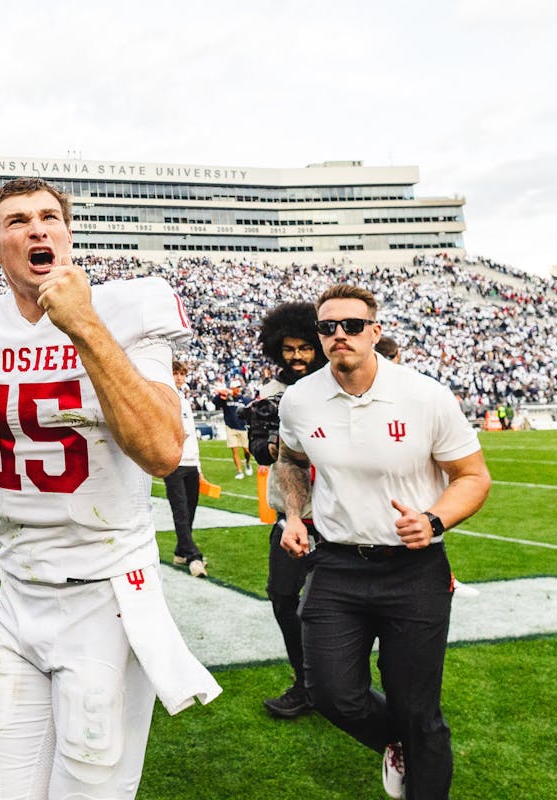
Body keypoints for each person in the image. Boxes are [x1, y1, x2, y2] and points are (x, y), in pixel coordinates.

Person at [0, 177, 220, 799]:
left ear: (68, 233)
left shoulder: (128, 306)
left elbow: (160, 450)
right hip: (19, 592)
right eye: (17, 221)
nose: (37, 228)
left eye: (50, 217)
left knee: (88, 790)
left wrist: (86, 328)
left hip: (105, 592)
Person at [277, 284, 491, 800]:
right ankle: (397, 741)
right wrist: (293, 515)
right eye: (328, 328)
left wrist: (434, 521)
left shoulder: (424, 395)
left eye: (352, 326)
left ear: (375, 331)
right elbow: (288, 461)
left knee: (419, 711)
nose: (339, 336)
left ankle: (418, 756)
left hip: (413, 569)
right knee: (330, 693)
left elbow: (473, 476)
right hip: (335, 566)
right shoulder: (300, 398)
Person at [249, 302, 327, 719]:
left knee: (330, 606)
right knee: (282, 599)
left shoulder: (336, 387)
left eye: (304, 348)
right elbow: (257, 447)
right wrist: (274, 447)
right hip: (290, 517)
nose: (296, 356)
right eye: (288, 349)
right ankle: (305, 681)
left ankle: (335, 681)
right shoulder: (269, 395)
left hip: (336, 518)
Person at [163, 360, 208, 578]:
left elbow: (193, 437)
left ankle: (181, 552)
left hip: (190, 462)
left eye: (182, 374)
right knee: (180, 511)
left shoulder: (185, 401)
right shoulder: (164, 398)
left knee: (190, 510)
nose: (179, 377)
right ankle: (193, 556)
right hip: (174, 462)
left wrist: (199, 467)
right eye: (175, 373)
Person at [215, 377, 252, 479]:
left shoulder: (244, 399)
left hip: (243, 427)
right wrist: (222, 395)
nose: (238, 389)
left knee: (247, 450)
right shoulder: (225, 398)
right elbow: (215, 402)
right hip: (230, 427)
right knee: (234, 450)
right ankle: (239, 471)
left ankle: (248, 463)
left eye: (238, 387)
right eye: (236, 387)